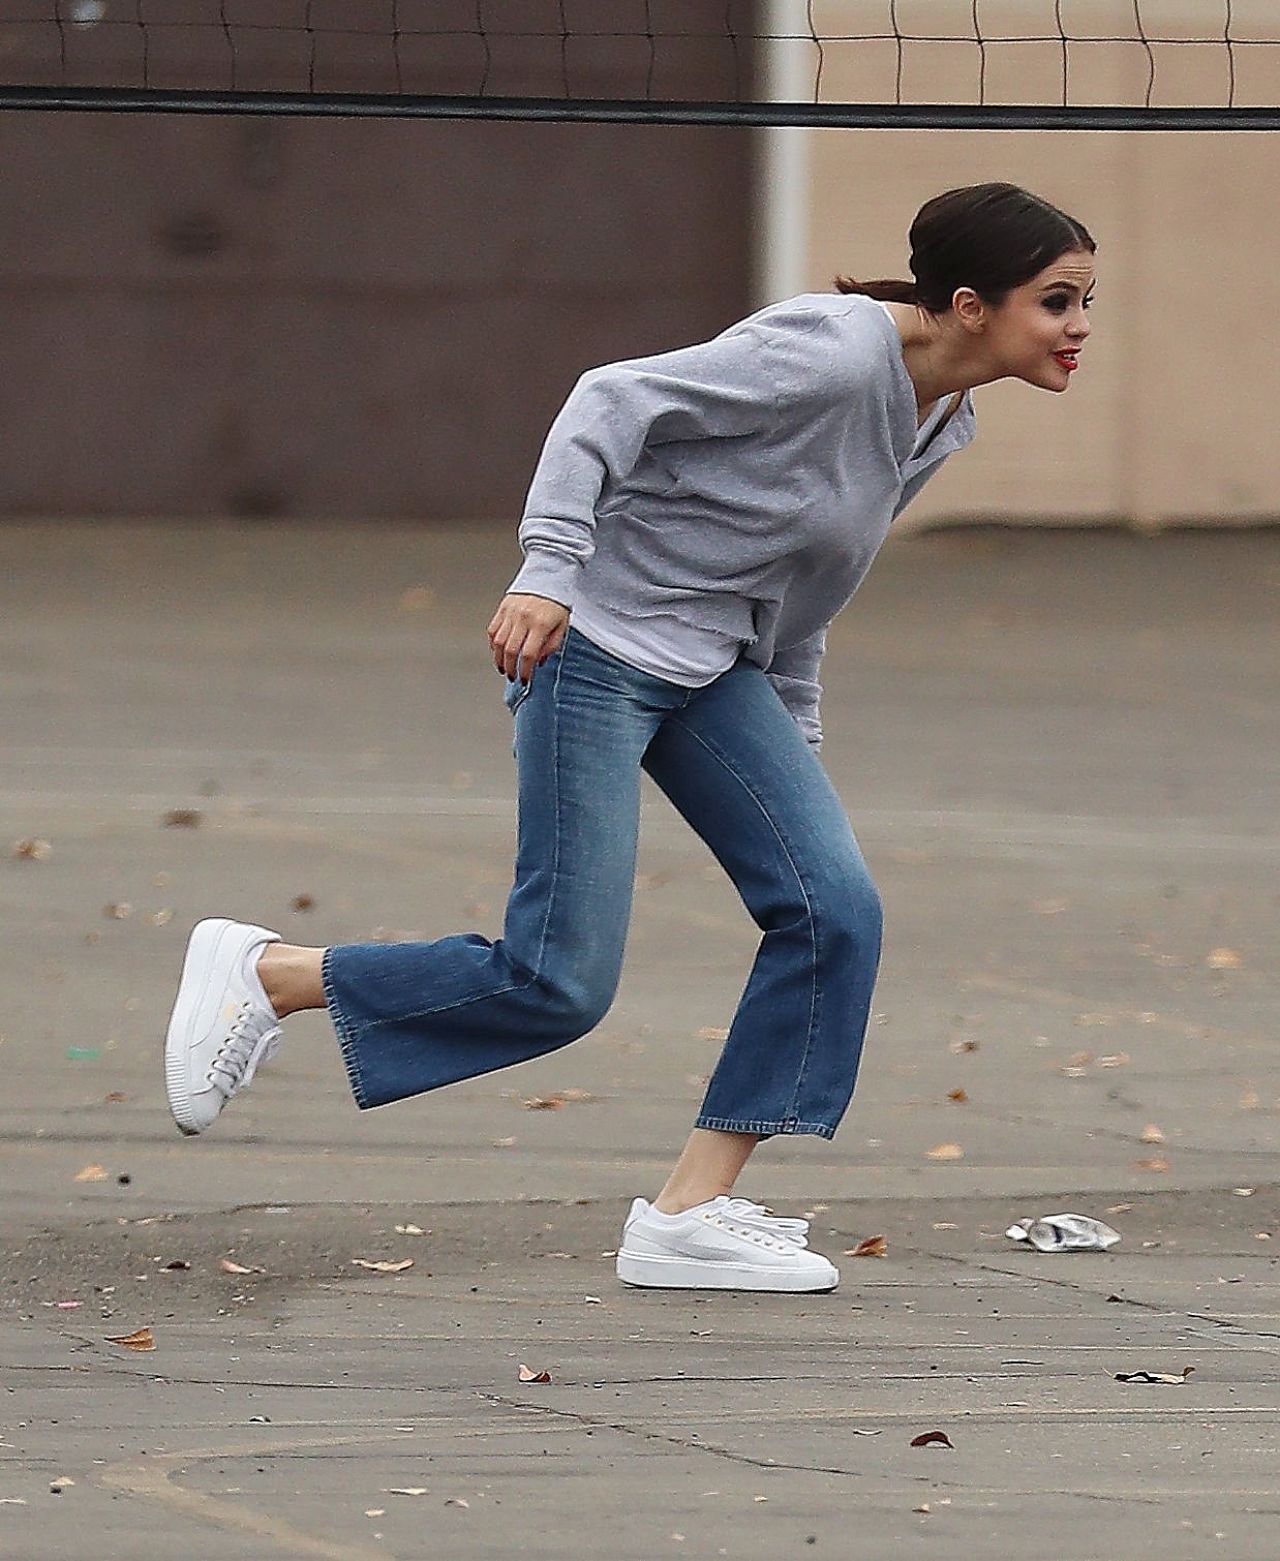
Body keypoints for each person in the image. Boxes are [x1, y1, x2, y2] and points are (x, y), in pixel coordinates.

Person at [164, 182, 1095, 1294]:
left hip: (716, 670)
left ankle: (690, 1213)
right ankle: (270, 974)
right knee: (558, 981)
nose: (1079, 325)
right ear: (968, 303)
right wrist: (547, 571)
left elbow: (807, 581)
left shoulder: (942, 417)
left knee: (831, 908)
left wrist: (792, 736)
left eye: (1087, 301)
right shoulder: (837, 351)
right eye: (1057, 300)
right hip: (597, 648)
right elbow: (607, 400)